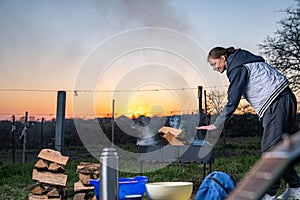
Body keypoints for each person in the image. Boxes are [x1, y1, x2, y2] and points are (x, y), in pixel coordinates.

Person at [197, 47, 300, 199]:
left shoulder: (236, 67)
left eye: (214, 64)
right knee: (280, 147)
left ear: (223, 58)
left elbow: (233, 100)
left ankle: (269, 194)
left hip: (275, 102)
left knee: (270, 150)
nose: (214, 68)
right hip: (286, 98)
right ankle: (295, 188)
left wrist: (216, 123)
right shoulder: (244, 60)